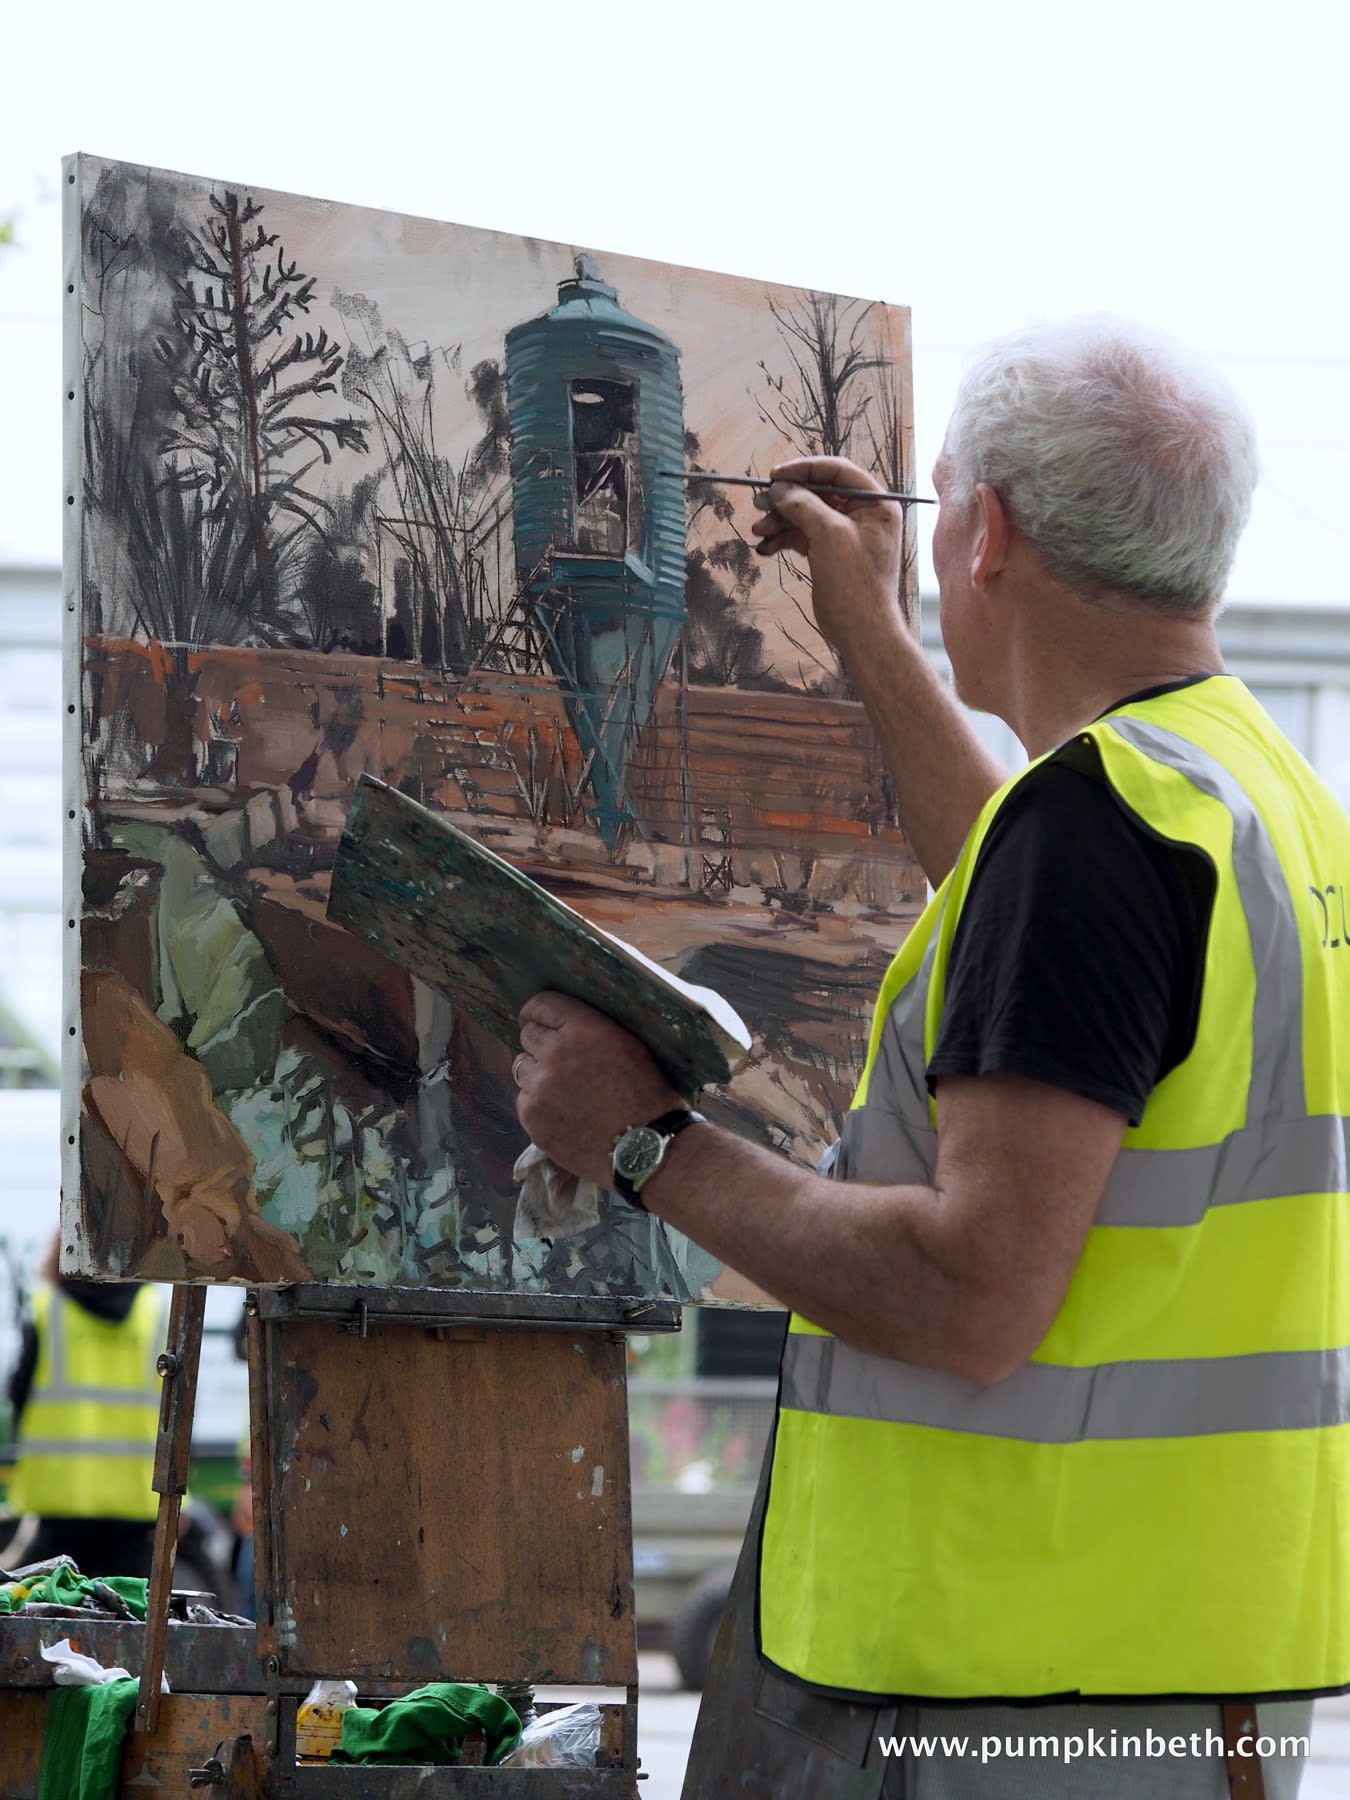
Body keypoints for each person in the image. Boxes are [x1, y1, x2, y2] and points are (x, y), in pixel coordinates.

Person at [512, 318, 1350, 1798]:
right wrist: (877, 641)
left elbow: (973, 1291)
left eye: (941, 499)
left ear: (991, 535)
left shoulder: (1100, 834)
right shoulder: (1252, 803)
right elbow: (1037, 928)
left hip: (1000, 1670)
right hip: (1175, 1663)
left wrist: (644, 1142)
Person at [6, 1233, 168, 1579]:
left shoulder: (46, 1308)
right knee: (127, 1617)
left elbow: (18, 1394)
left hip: (58, 1496)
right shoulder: (155, 1311)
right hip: (136, 1498)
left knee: (57, 1615)